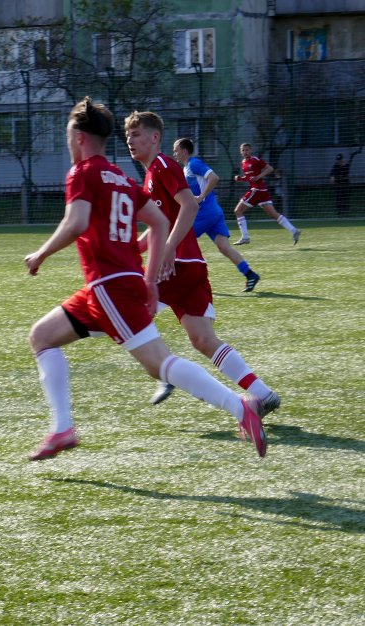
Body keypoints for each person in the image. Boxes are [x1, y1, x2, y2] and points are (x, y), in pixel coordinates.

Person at [22, 97, 267, 462]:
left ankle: (240, 406)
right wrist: (150, 282)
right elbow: (159, 222)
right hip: (107, 287)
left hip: (110, 287)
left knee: (159, 364)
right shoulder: (121, 178)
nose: (68, 142)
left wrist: (41, 254)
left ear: (79, 137)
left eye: (68, 135)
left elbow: (76, 222)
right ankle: (62, 429)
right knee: (42, 336)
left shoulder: (83, 173)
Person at [125, 113, 280, 412]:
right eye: (128, 135)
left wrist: (168, 248)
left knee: (128, 314)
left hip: (178, 264)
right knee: (203, 339)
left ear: (155, 137)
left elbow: (189, 206)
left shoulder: (162, 166)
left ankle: (165, 369)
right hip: (191, 264)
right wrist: (134, 248)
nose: (130, 140)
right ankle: (263, 394)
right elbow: (160, 224)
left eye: (136, 134)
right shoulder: (152, 174)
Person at [171, 138, 260, 293]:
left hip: (205, 212)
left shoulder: (193, 164)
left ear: (184, 151)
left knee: (180, 240)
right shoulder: (187, 168)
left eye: (176, 150)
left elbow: (214, 177)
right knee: (224, 247)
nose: (174, 153)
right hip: (214, 212)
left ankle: (187, 279)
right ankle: (250, 274)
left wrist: (201, 197)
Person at [232, 143, 301, 245]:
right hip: (261, 191)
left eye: (247, 150)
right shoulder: (243, 163)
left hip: (257, 190)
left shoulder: (255, 160)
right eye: (243, 150)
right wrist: (240, 179)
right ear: (240, 151)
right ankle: (294, 230)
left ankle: (245, 237)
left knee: (238, 211)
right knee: (273, 214)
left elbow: (270, 168)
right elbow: (250, 178)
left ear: (251, 150)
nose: (245, 152)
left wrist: (259, 176)